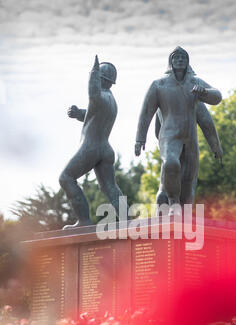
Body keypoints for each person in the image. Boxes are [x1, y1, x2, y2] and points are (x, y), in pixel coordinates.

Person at [135, 46, 222, 211]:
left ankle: (185, 217)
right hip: (169, 135)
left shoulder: (195, 85)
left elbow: (210, 111)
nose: (180, 60)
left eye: (183, 57)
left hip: (190, 138)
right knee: (170, 163)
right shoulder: (159, 85)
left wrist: (215, 146)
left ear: (188, 62)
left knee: (189, 181)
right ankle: (173, 202)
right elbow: (146, 113)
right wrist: (140, 139)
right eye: (176, 57)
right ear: (170, 62)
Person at [59, 55, 126, 229]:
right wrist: (77, 114)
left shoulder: (99, 95)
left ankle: (84, 221)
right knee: (109, 187)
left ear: (100, 79)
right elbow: (93, 114)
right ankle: (127, 219)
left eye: (97, 77)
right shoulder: (111, 100)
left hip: (91, 147)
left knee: (66, 178)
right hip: (105, 149)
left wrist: (93, 72)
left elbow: (93, 94)